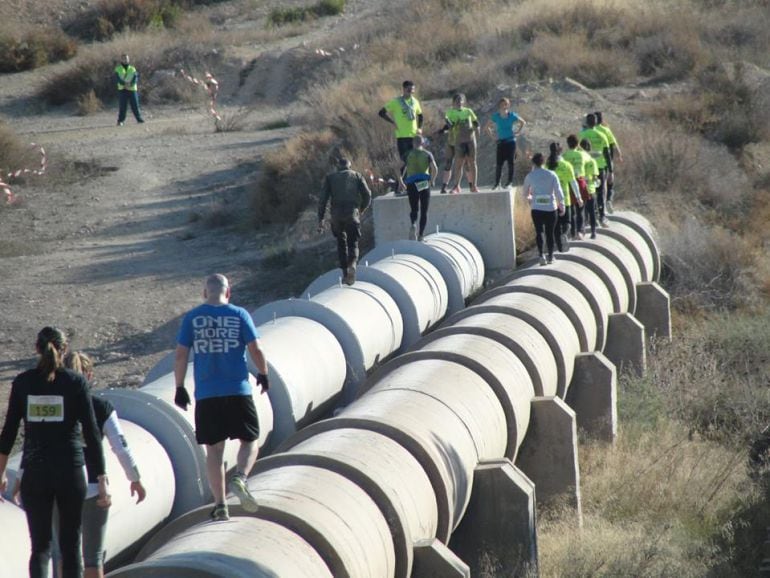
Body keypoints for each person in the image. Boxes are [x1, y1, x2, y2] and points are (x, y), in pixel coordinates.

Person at [0, 327, 110, 578]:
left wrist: (2, 472)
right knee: (70, 547)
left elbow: (8, 433)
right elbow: (92, 433)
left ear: (36, 349)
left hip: (36, 471)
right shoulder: (76, 382)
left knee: (40, 547)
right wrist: (101, 477)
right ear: (65, 350)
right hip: (70, 471)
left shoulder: (23, 382)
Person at [174, 274, 269, 522]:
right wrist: (263, 373)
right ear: (229, 293)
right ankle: (240, 477)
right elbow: (256, 349)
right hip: (237, 390)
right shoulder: (239, 315)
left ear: (205, 293)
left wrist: (179, 386)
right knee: (249, 440)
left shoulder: (192, 318)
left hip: (207, 395)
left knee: (214, 452)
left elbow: (181, 356)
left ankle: (220, 505)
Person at [54, 352, 146, 578]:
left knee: (65, 555)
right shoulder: (101, 407)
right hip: (94, 488)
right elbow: (121, 447)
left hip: (57, 487)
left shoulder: (51, 406)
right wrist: (135, 479)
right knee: (93, 557)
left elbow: (34, 443)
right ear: (89, 375)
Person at [317, 157, 372, 285]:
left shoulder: (330, 178)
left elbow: (322, 200)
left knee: (341, 243)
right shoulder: (357, 176)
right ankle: (352, 264)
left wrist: (321, 219)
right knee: (353, 242)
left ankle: (345, 274)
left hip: (336, 216)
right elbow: (368, 195)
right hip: (352, 214)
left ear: (338, 166)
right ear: (349, 166)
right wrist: (361, 209)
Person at [379, 80, 423, 192]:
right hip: (402, 136)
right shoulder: (396, 102)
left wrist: (420, 128)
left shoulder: (415, 102)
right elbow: (381, 112)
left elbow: (420, 115)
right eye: (409, 89)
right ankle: (400, 185)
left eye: (412, 89)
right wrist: (392, 122)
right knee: (404, 161)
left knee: (415, 160)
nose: (411, 91)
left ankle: (412, 186)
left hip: (414, 136)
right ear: (403, 89)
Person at [522, 153, 565, 265]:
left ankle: (541, 255)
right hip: (551, 207)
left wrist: (530, 198)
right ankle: (550, 256)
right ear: (544, 162)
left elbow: (525, 193)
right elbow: (558, 191)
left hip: (536, 208)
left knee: (539, 231)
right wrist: (562, 204)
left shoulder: (530, 176)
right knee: (550, 233)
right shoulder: (552, 174)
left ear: (533, 163)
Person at [438, 93, 480, 194]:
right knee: (458, 163)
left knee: (472, 162)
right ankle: (456, 186)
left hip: (470, 140)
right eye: (457, 100)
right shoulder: (450, 113)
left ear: (464, 102)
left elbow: (476, 123)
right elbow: (449, 125)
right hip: (459, 141)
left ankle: (474, 186)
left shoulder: (468, 111)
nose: (459, 102)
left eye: (461, 100)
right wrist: (446, 123)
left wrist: (477, 133)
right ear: (453, 102)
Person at [579, 113, 612, 227]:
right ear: (597, 122)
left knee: (588, 192)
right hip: (600, 167)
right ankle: (602, 216)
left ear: (587, 123)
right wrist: (611, 171)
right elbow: (607, 154)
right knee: (600, 192)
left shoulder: (582, 135)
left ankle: (589, 218)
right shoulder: (602, 135)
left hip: (586, 168)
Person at [545, 142, 580, 251]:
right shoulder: (566, 165)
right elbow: (573, 182)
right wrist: (578, 197)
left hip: (552, 200)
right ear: (560, 151)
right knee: (567, 222)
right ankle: (565, 234)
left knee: (556, 226)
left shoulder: (547, 165)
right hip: (565, 199)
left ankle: (560, 248)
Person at [484, 97, 526, 189]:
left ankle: (509, 182)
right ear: (500, 105)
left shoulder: (512, 115)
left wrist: (518, 132)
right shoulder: (496, 116)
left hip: (511, 141)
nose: (504, 106)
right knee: (499, 163)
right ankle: (497, 183)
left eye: (506, 104)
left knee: (511, 162)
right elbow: (486, 127)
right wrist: (493, 137)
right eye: (502, 104)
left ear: (508, 105)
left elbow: (523, 122)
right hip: (501, 142)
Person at [402, 135, 438, 241]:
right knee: (424, 210)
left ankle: (413, 223)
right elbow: (435, 168)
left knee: (414, 209)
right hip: (423, 183)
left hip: (411, 183)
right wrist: (432, 180)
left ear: (413, 143)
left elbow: (397, 167)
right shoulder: (427, 154)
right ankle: (421, 235)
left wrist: (400, 181)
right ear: (422, 143)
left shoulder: (408, 154)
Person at [562, 134, 592, 240]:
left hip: (569, 183)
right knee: (581, 208)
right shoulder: (582, 154)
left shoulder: (564, 155)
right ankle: (581, 230)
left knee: (572, 209)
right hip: (580, 181)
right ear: (577, 143)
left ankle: (573, 232)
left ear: (568, 144)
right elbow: (590, 160)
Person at [594, 111, 622, 214]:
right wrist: (619, 154)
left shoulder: (588, 131)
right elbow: (613, 144)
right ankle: (608, 200)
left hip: (591, 164)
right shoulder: (606, 130)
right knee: (608, 183)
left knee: (596, 186)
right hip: (605, 161)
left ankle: (597, 206)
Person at [579, 138, 600, 239]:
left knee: (581, 211)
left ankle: (581, 230)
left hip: (581, 189)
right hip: (591, 189)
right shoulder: (592, 161)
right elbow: (596, 177)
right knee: (592, 211)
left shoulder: (579, 160)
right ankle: (593, 232)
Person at [115, 54, 144, 126]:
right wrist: (124, 84)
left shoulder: (132, 68)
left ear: (129, 59)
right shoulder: (118, 69)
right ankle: (120, 121)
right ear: (121, 60)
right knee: (123, 106)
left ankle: (139, 119)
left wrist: (130, 84)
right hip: (122, 90)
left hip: (132, 89)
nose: (126, 60)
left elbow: (135, 78)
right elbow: (117, 79)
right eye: (124, 59)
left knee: (135, 105)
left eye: (127, 59)